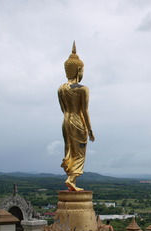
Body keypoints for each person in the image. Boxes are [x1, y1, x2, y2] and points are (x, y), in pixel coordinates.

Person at [58, 42, 95, 191]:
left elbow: (63, 108)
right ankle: (72, 178)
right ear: (78, 69)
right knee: (80, 150)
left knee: (69, 149)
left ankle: (70, 175)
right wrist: (90, 129)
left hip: (66, 121)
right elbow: (84, 110)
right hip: (78, 121)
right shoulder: (82, 89)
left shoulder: (61, 89)